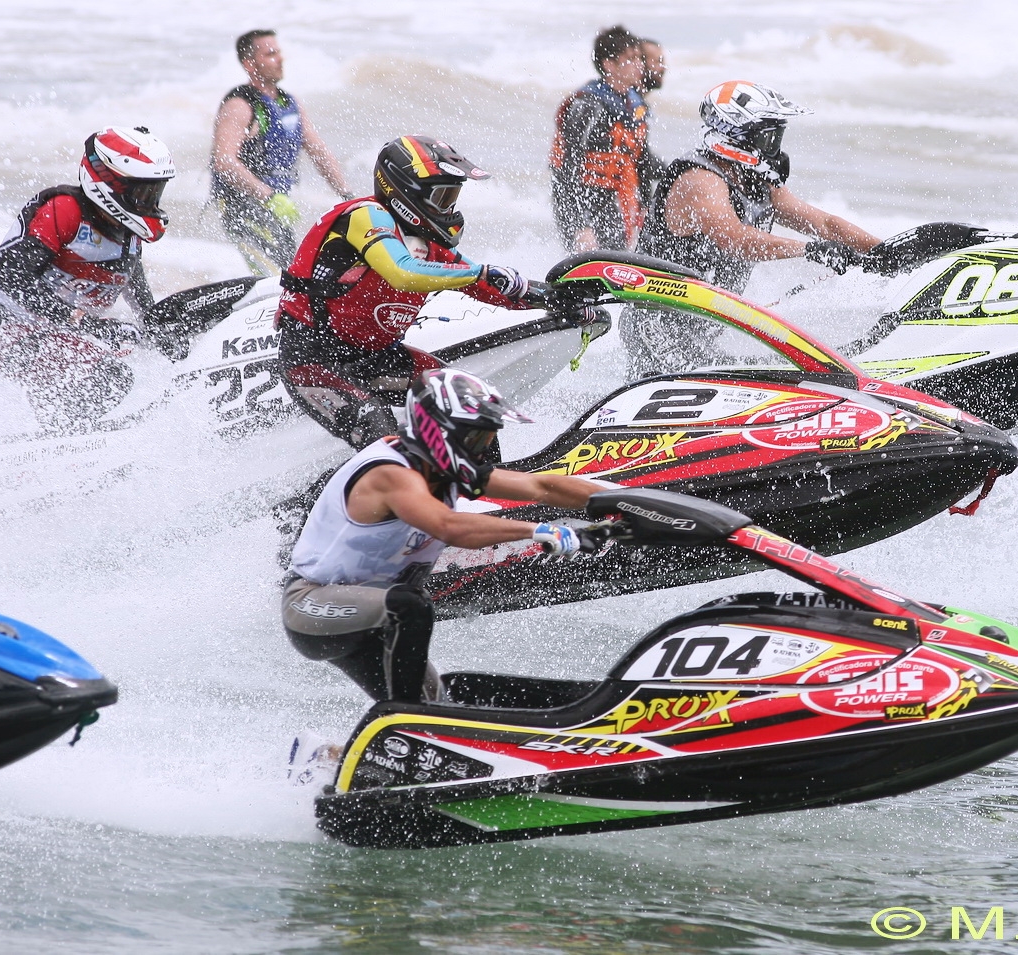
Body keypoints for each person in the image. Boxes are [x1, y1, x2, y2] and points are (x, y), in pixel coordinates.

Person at [282, 368, 606, 703]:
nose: (483, 450)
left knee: (440, 706)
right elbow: (448, 526)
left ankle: (375, 734)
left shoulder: (441, 468)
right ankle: (409, 721)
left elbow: (541, 486)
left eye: (488, 439)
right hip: (312, 607)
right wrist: (537, 530)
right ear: (439, 432)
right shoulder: (390, 474)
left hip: (375, 617)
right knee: (411, 606)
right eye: (476, 439)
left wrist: (620, 500)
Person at [274, 135, 543, 452]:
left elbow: (487, 286)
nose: (449, 208)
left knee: (469, 406)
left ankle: (484, 479)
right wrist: (480, 273)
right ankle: (378, 478)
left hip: (376, 358)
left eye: (452, 197)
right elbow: (402, 273)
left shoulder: (426, 241)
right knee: (382, 437)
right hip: (313, 359)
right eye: (442, 197)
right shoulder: (366, 215)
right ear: (407, 191)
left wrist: (558, 297)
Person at [626, 81, 879, 376]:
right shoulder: (699, 179)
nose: (775, 149)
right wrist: (811, 250)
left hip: (699, 329)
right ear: (737, 137)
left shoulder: (757, 181)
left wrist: (883, 250)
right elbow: (737, 240)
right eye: (769, 138)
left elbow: (824, 223)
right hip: (657, 325)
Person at [0, 126, 175, 429]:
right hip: (17, 335)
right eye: (143, 193)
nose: (150, 202)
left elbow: (140, 298)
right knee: (113, 377)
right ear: (110, 183)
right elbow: (8, 279)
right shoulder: (64, 210)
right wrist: (84, 322)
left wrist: (164, 335)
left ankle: (72, 432)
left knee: (143, 372)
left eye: (155, 192)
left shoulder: (129, 233)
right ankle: (59, 436)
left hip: (73, 337)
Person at [211, 29, 352, 276]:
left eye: (279, 52)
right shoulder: (239, 105)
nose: (280, 59)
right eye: (270, 54)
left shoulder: (289, 103)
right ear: (249, 64)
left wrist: (347, 195)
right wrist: (268, 197)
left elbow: (319, 152)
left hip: (276, 206)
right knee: (277, 278)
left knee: (291, 275)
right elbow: (223, 161)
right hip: (241, 206)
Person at [549, 25, 664, 252]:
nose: (640, 65)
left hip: (614, 201)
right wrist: (580, 226)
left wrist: (646, 206)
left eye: (639, 58)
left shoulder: (634, 105)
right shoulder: (587, 105)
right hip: (581, 202)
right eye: (630, 59)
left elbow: (641, 162)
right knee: (595, 262)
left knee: (620, 257)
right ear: (609, 65)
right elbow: (565, 171)